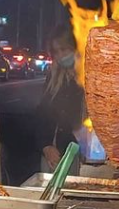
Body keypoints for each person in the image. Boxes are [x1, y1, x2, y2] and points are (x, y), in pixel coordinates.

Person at [35, 28, 85, 174]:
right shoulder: (54, 78)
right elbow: (42, 114)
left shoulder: (90, 76)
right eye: (56, 52)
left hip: (87, 157)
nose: (60, 56)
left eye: (63, 49)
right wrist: (45, 146)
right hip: (58, 154)